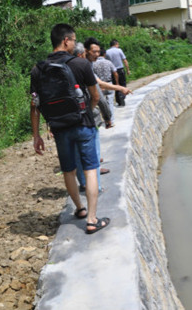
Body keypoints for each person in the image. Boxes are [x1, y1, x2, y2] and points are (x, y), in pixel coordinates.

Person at [30, 23, 110, 234]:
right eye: (74, 40)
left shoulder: (38, 70)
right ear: (66, 40)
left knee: (68, 170)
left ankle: (80, 209)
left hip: (58, 128)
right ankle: (92, 220)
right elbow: (95, 96)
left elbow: (35, 105)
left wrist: (37, 135)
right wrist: (86, 112)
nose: (75, 44)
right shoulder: (81, 65)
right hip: (83, 124)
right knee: (91, 168)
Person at [73, 42, 112, 192]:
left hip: (69, 118)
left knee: (77, 153)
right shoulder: (84, 67)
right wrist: (107, 116)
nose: (96, 54)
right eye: (93, 52)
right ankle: (97, 187)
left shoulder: (63, 67)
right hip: (88, 117)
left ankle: (83, 183)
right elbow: (98, 96)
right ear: (83, 53)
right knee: (92, 153)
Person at [93, 47, 118, 123]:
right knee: (110, 101)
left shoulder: (93, 64)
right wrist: (117, 84)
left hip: (99, 86)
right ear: (104, 54)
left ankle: (105, 118)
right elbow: (115, 73)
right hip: (109, 83)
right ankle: (111, 119)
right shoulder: (108, 62)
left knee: (102, 102)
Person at [106, 39, 130, 106]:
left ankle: (118, 101)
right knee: (123, 84)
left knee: (116, 85)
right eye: (118, 44)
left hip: (112, 71)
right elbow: (125, 60)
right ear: (116, 44)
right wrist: (128, 69)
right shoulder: (119, 50)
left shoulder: (107, 52)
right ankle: (122, 98)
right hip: (120, 70)